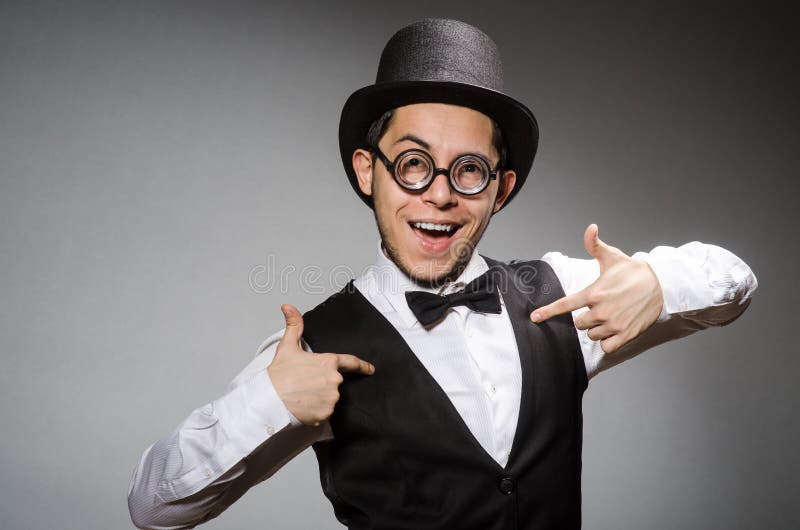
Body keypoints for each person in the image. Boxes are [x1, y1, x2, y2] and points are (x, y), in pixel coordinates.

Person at [127, 18, 757, 530]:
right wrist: (272, 403)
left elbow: (735, 279)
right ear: (368, 172)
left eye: (469, 171)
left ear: (500, 189)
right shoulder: (312, 351)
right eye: (412, 163)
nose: (439, 194)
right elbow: (153, 507)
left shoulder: (561, 297)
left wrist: (655, 281)